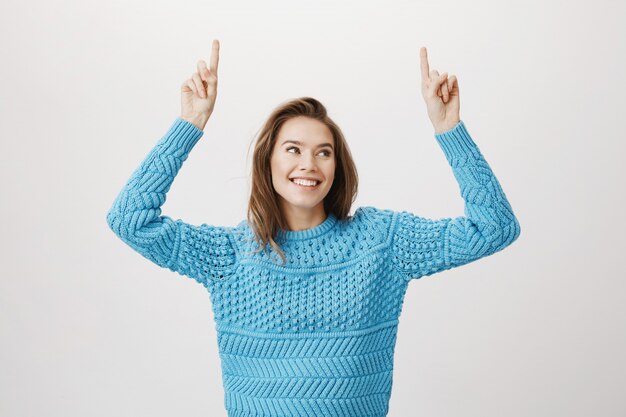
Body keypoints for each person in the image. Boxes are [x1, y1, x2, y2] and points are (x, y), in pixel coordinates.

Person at [106, 39, 521, 417]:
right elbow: (130, 219)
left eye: (324, 152)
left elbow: (494, 228)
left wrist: (450, 129)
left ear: (337, 167)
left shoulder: (381, 241)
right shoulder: (230, 254)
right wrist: (190, 123)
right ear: (268, 162)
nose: (308, 163)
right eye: (293, 150)